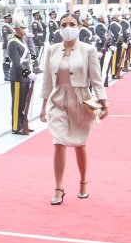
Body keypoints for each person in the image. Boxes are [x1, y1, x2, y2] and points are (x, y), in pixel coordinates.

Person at [38, 13, 109, 205]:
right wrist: (44, 105)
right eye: (64, 24)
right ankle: (58, 187)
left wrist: (104, 101)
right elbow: (46, 80)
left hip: (81, 99)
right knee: (58, 141)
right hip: (58, 100)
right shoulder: (52, 50)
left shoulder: (88, 50)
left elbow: (96, 79)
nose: (67, 27)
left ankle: (83, 181)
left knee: (79, 144)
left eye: (71, 24)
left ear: (78, 27)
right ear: (59, 28)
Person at [7, 19, 32, 135]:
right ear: (17, 29)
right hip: (18, 77)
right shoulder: (13, 43)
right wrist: (28, 73)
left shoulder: (22, 41)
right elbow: (17, 63)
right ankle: (16, 126)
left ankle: (24, 123)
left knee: (24, 102)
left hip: (25, 77)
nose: (24, 30)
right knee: (17, 103)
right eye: (22, 28)